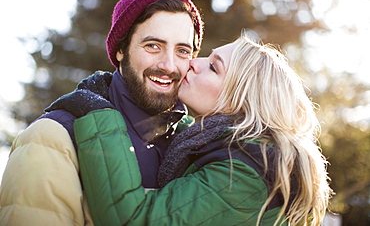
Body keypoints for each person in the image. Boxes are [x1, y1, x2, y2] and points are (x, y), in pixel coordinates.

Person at [72, 33, 332, 226]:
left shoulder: (249, 172)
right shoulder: (226, 148)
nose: (194, 62)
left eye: (213, 67)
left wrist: (99, 113)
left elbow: (132, 219)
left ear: (240, 101)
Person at [0, 0, 203, 225]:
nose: (169, 65)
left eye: (182, 51)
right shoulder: (53, 137)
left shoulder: (196, 145)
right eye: (152, 46)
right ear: (120, 50)